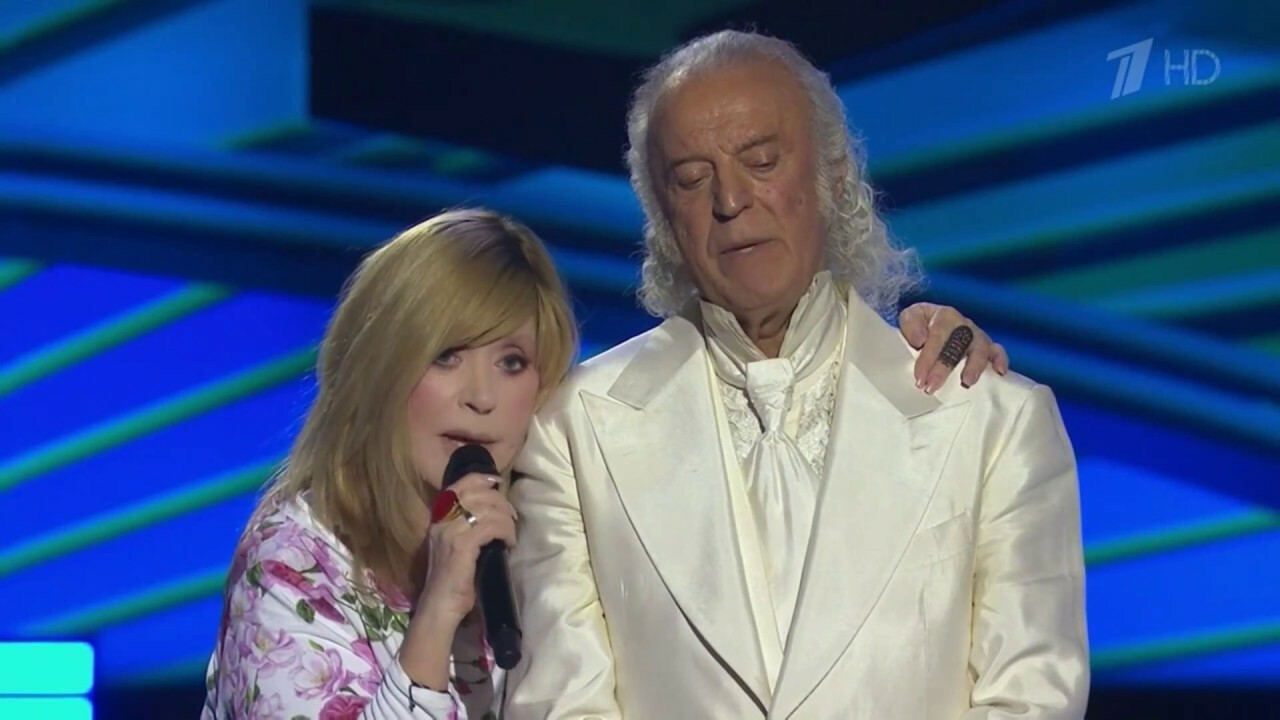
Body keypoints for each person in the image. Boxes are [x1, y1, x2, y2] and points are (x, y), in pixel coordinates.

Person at [199, 208, 1002, 719]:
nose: (480, 397)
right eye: (447, 356)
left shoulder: (557, 512)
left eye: (512, 363)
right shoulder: (295, 560)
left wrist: (901, 359)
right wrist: (439, 612)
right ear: (380, 366)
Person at [504, 30, 1089, 720]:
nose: (730, 199)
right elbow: (561, 705)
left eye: (760, 161)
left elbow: (1030, 697)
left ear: (833, 176)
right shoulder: (572, 433)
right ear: (661, 216)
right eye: (691, 178)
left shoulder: (993, 419)